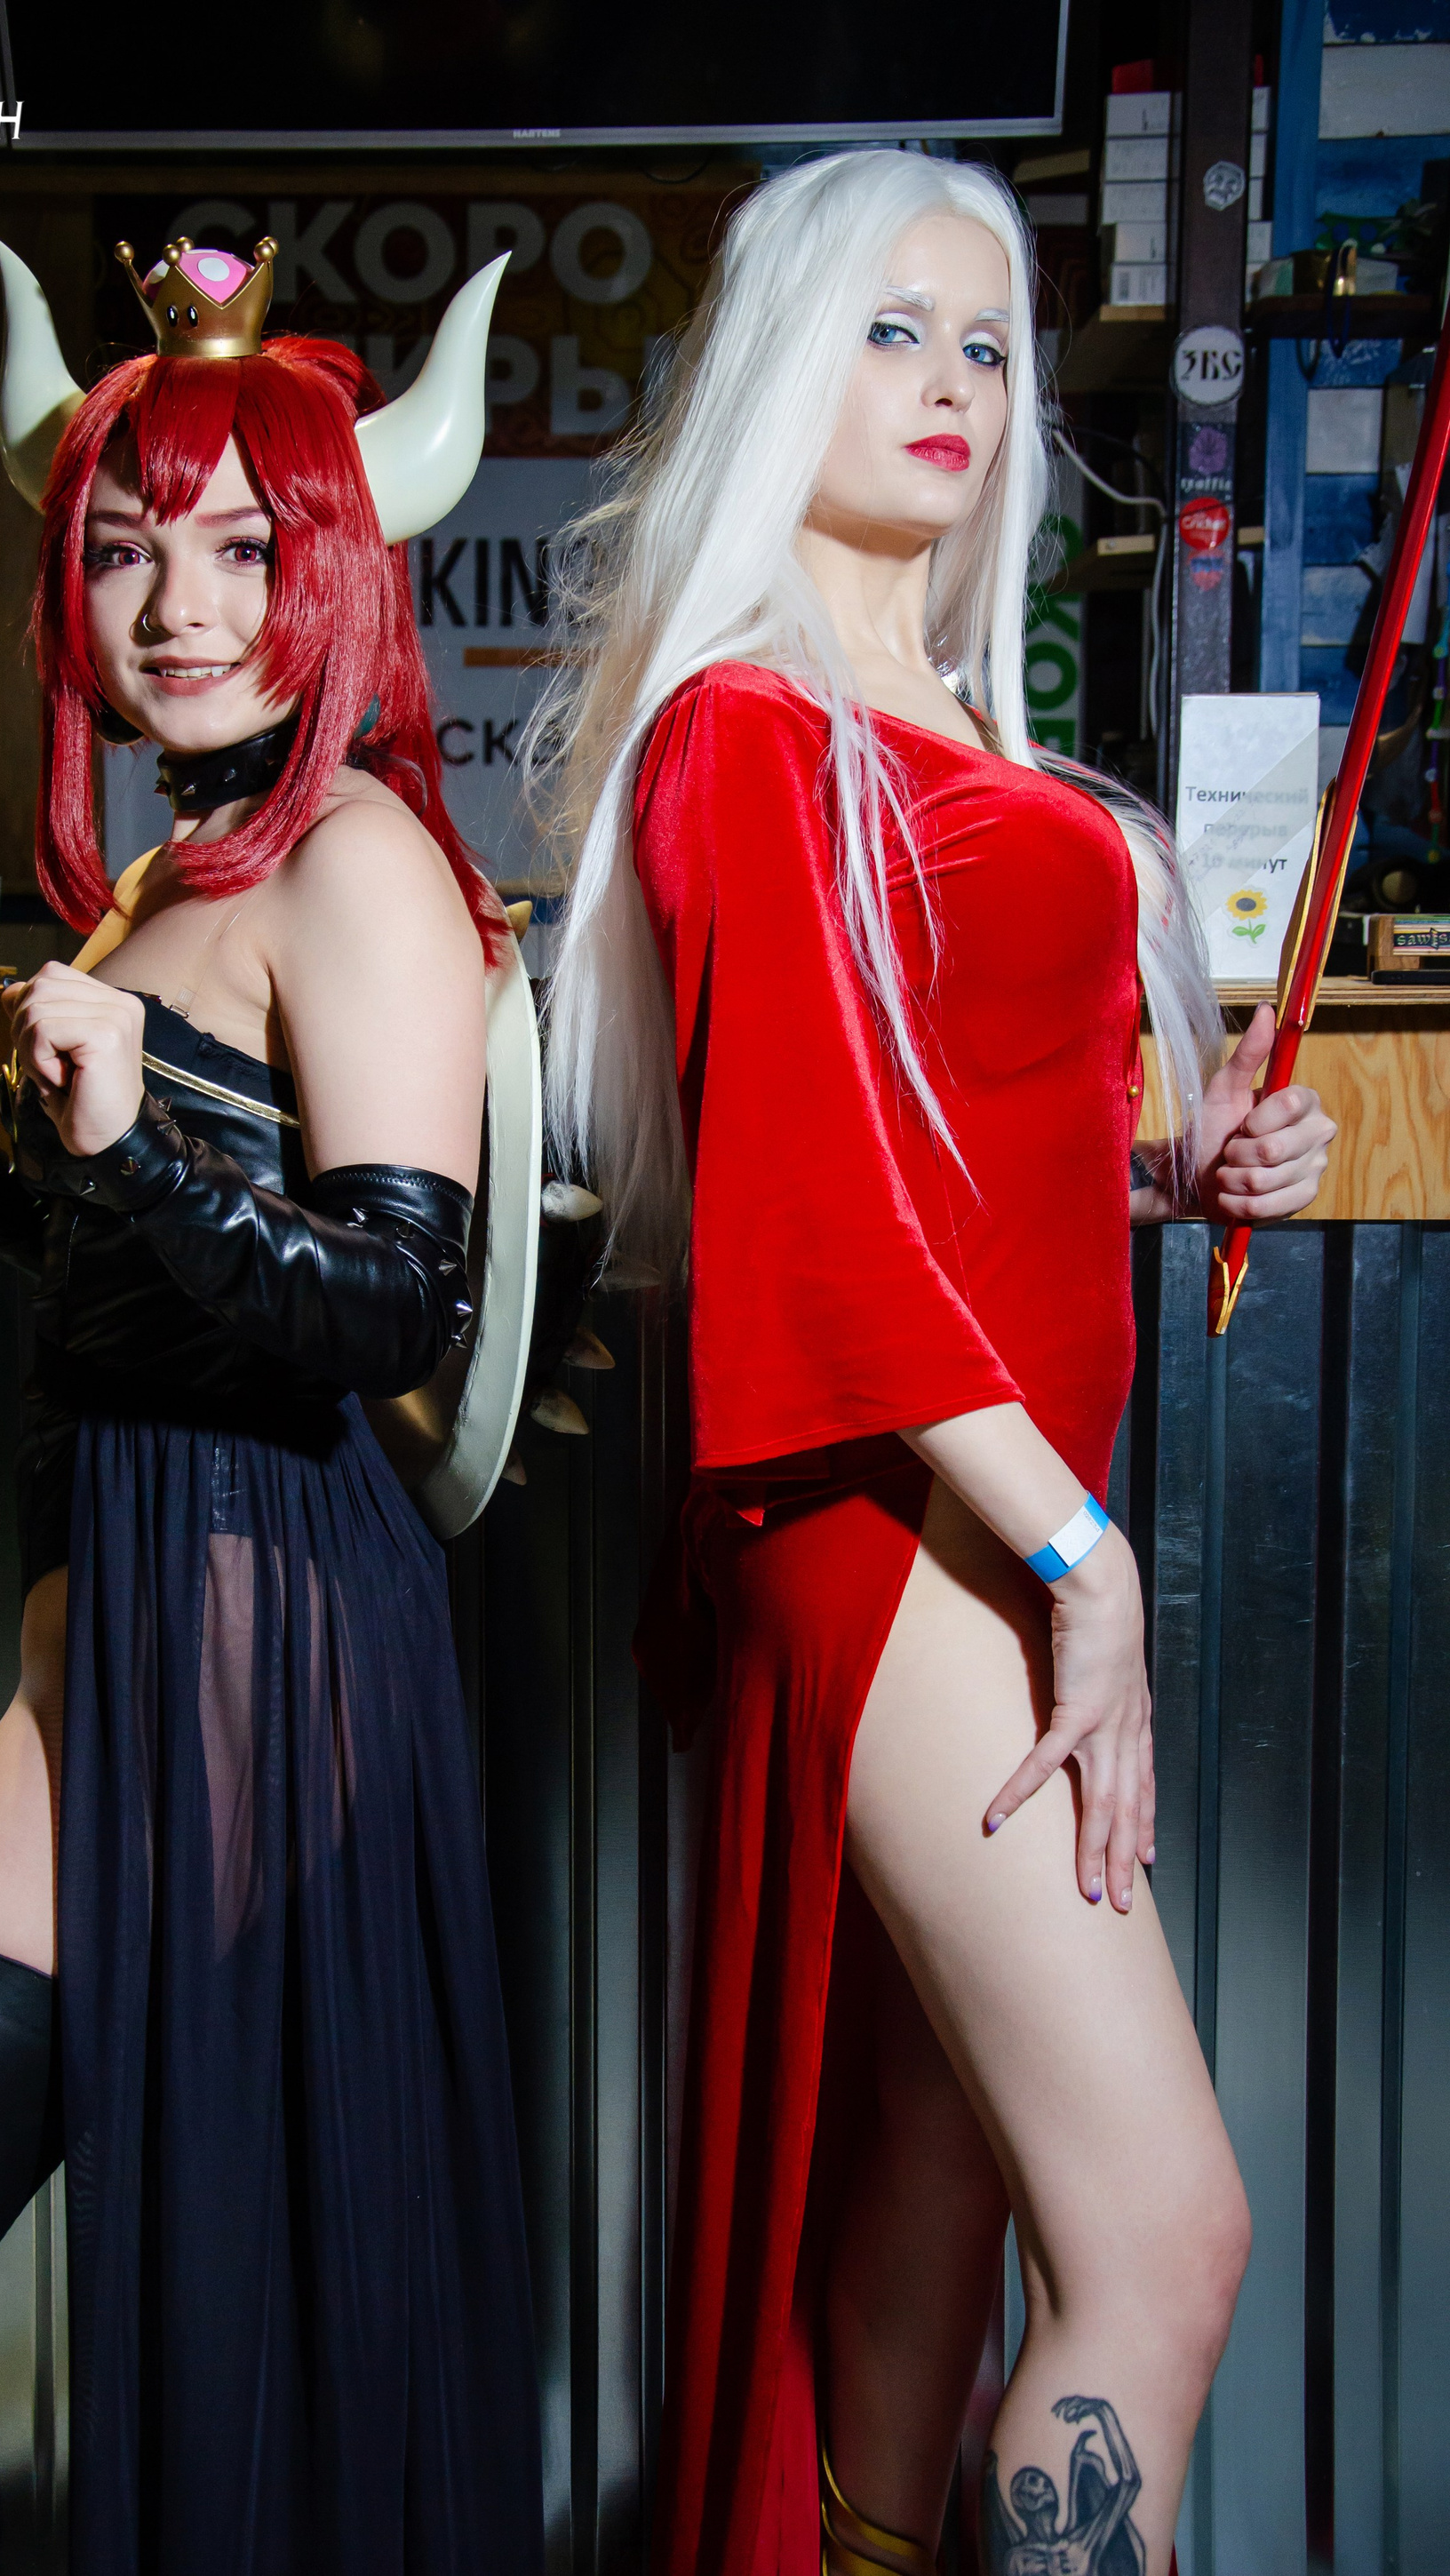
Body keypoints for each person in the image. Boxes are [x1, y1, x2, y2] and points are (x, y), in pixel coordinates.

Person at [532, 150, 1336, 2576]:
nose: (955, 381)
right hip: (906, 1535)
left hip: (998, 1508)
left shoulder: (960, 736)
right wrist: (1085, 1558)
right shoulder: (747, 729)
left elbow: (948, 1144)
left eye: (990, 342)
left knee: (915, 2233)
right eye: (892, 327)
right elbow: (818, 1216)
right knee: (1166, 2245)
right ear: (788, 362)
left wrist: (1169, 1169)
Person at [0, 236, 545, 2576]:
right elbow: (166, 1288)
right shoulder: (187, 862)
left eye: (242, 547)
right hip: (144, 1618)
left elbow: (392, 1303)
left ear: (340, 575)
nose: (176, 604)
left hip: (247, 1630)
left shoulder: (360, 861)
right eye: (121, 547)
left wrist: (115, 1158)